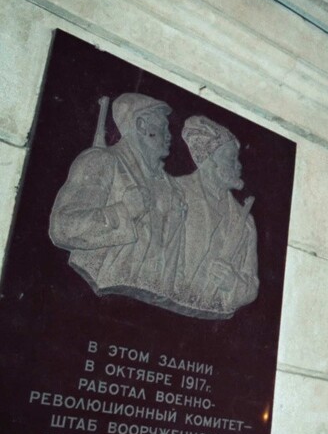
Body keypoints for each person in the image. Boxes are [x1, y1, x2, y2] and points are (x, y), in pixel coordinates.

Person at [49, 93, 186, 307]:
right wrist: (123, 211)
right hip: (100, 294)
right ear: (141, 125)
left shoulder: (167, 187)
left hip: (148, 302)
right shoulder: (102, 161)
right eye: (163, 127)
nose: (169, 135)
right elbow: (63, 227)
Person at [175, 115, 259, 318]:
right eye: (231, 158)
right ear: (209, 159)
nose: (239, 166)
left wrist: (233, 284)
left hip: (212, 314)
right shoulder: (175, 193)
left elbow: (252, 285)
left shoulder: (245, 221)